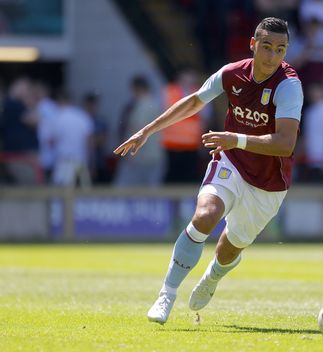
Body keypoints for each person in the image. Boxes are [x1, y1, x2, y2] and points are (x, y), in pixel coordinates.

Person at [114, 17, 303, 324]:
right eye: (266, 47)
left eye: (280, 50)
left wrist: (236, 138)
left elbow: (285, 144)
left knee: (229, 249)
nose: (272, 56)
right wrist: (147, 130)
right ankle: (167, 294)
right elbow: (194, 101)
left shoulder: (289, 86)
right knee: (204, 216)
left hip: (269, 183)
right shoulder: (231, 74)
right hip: (231, 161)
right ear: (253, 44)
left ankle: (212, 277)